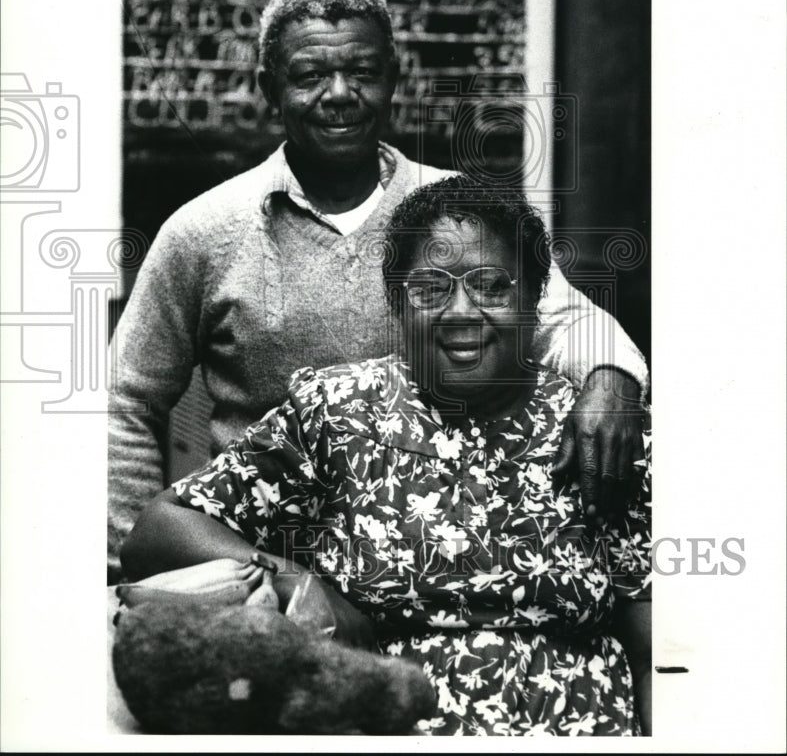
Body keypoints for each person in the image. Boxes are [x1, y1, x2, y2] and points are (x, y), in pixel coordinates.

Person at [109, 0, 649, 582]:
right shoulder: (206, 229)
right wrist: (130, 567)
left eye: (363, 72)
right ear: (269, 87)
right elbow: (126, 398)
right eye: (310, 76)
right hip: (265, 576)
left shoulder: (454, 210)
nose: (339, 94)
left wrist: (610, 377)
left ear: (392, 78)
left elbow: (563, 317)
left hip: (427, 558)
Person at [122, 175, 651, 736]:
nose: (461, 312)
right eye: (429, 289)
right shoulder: (337, 412)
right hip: (380, 725)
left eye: (491, 286)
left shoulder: (595, 430)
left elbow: (653, 646)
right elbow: (157, 532)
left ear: (534, 298)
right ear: (398, 303)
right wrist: (296, 578)